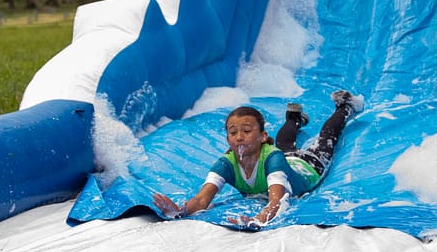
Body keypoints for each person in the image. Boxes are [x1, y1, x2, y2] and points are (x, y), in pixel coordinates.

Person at [152, 90, 364, 227]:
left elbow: (278, 201)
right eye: (233, 132)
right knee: (285, 142)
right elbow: (202, 200)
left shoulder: (272, 158)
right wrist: (182, 210)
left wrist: (260, 218)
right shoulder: (226, 164)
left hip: (307, 166)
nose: (239, 136)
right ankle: (295, 119)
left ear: (262, 136)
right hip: (285, 159)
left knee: (327, 136)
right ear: (227, 139)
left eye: (246, 130)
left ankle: (347, 106)